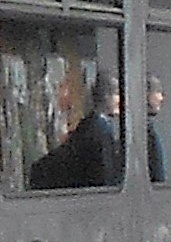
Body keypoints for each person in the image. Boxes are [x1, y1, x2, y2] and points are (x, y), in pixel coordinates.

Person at [24, 51, 121, 192]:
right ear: (105, 96)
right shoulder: (99, 130)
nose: (120, 100)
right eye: (116, 94)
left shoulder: (92, 125)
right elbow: (103, 177)